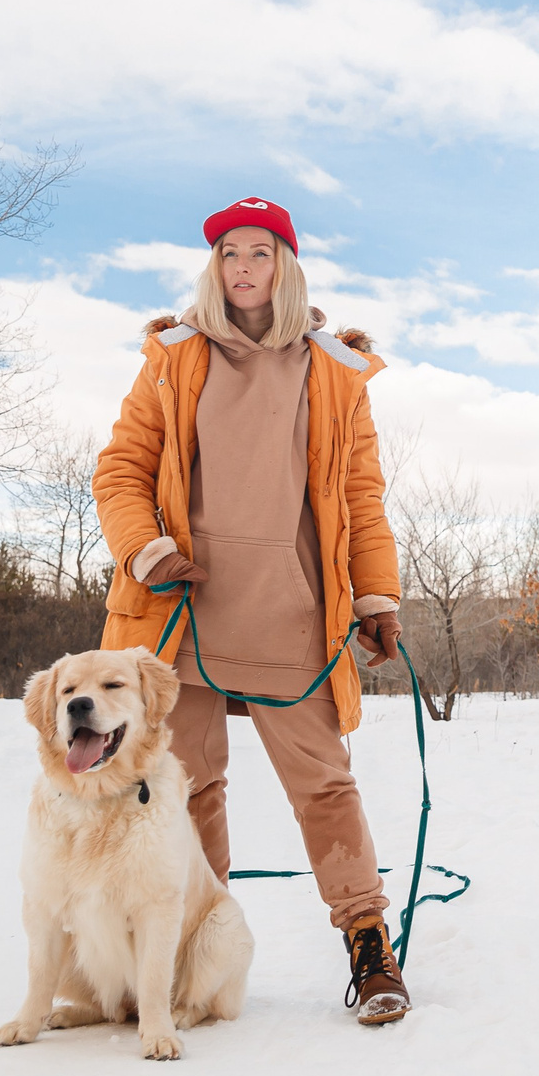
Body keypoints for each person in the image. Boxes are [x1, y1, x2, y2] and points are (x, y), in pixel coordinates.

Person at [91, 195, 413, 1025]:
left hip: (292, 615)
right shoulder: (173, 358)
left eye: (259, 253)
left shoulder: (333, 372)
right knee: (184, 790)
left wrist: (376, 596)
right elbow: (121, 469)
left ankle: (369, 947)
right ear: (214, 266)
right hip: (178, 617)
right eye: (229, 252)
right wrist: (148, 550)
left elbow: (359, 497)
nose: (242, 267)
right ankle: (190, 957)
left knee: (325, 786)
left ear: (286, 267)